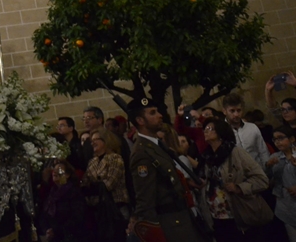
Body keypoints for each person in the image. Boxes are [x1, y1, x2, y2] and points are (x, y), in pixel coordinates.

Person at [128, 97, 206, 242]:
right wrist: (154, 234)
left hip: (181, 217)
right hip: (170, 224)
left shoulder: (155, 145)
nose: (160, 115)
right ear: (140, 120)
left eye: (157, 111)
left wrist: (187, 183)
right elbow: (145, 199)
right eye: (152, 113)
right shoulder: (141, 153)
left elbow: (163, 179)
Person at [200, 117, 271, 241]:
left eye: (210, 128)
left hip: (237, 213)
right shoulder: (208, 157)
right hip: (216, 215)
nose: (206, 131)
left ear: (221, 132)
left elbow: (261, 179)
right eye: (205, 129)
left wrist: (239, 187)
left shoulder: (235, 152)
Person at [81, 128, 129, 242]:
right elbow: (84, 182)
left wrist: (93, 186)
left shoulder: (115, 158)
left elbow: (109, 184)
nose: (92, 143)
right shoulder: (92, 162)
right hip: (98, 210)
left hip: (115, 208)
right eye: (91, 140)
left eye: (96, 139)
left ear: (106, 140)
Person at [40, 160, 90, 242]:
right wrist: (47, 230)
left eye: (59, 169)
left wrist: (57, 231)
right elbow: (44, 214)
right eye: (54, 169)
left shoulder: (74, 193)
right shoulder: (52, 193)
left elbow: (77, 218)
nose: (55, 172)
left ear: (67, 175)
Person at [222, 92, 270, 169]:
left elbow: (262, 151)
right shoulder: (220, 130)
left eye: (239, 110)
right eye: (232, 111)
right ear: (224, 111)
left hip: (257, 171)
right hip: (235, 175)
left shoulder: (252, 127)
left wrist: (267, 170)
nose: (236, 114)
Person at [265, 126, 296, 241]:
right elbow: (267, 178)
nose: (278, 142)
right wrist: (268, 166)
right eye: (275, 139)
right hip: (285, 204)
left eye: (281, 138)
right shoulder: (275, 157)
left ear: (292, 139)